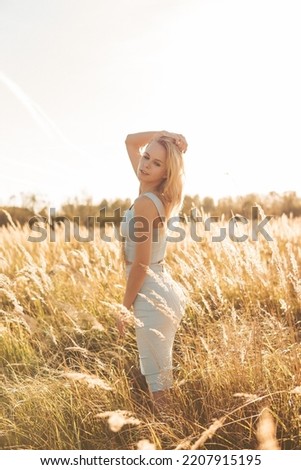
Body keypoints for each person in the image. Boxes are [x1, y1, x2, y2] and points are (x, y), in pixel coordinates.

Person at [118, 130, 188, 412]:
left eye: (156, 163)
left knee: (159, 390)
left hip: (151, 297)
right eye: (146, 157)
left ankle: (172, 441)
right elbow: (130, 141)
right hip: (161, 289)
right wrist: (165, 134)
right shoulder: (157, 195)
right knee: (161, 381)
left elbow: (141, 264)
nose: (145, 164)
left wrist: (124, 307)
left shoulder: (147, 203)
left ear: (165, 172)